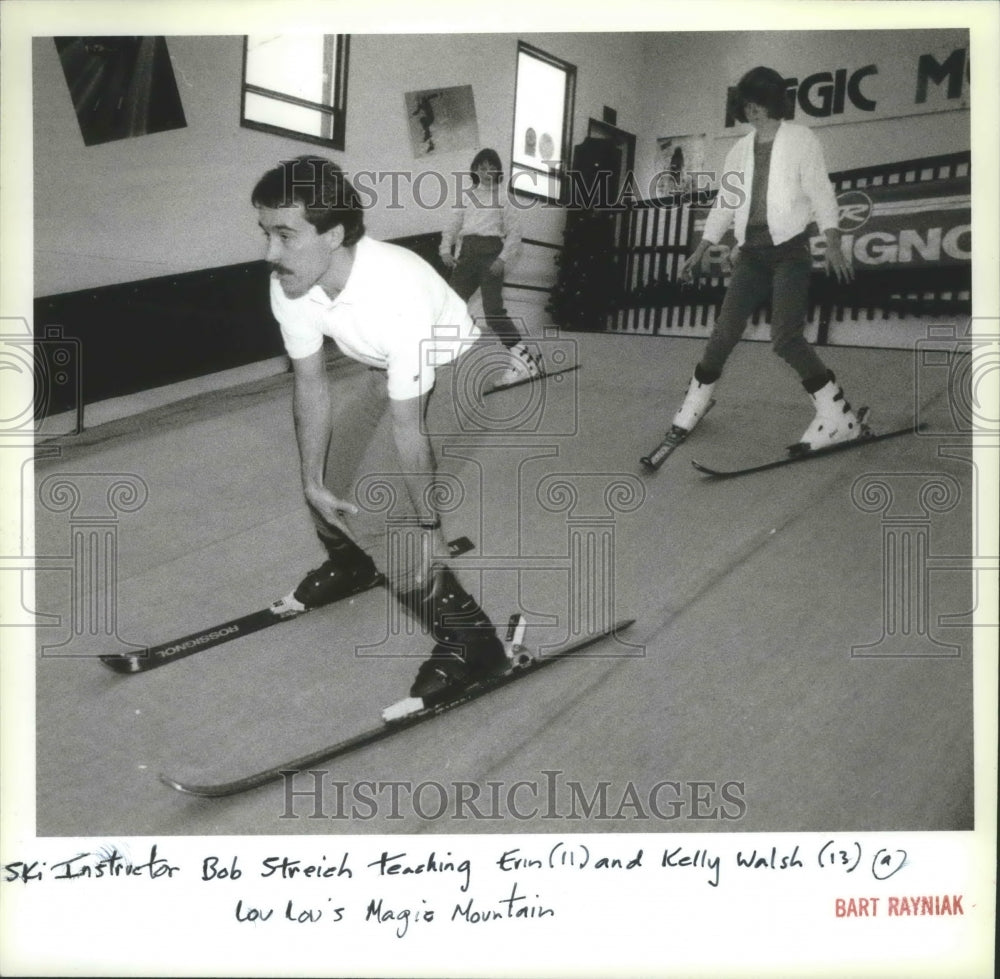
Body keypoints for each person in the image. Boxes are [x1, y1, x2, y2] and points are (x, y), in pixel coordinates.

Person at [252, 155, 507, 701]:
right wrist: (311, 479)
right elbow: (311, 386)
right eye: (265, 233)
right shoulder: (292, 282)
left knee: (376, 512)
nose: (270, 254)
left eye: (284, 235)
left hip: (459, 371)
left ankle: (473, 642)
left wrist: (428, 529)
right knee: (328, 483)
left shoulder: (395, 290)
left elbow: (409, 430)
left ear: (333, 234)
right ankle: (351, 565)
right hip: (383, 368)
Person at [673, 66, 861, 453]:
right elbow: (727, 202)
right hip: (751, 255)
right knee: (724, 333)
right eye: (747, 103)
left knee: (785, 337)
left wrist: (834, 240)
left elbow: (821, 193)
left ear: (774, 102)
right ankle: (697, 400)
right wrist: (702, 246)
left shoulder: (801, 139)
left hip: (789, 252)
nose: (753, 110)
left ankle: (838, 414)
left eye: (759, 102)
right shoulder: (739, 149)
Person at [439, 148, 542, 386]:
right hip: (466, 256)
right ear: (475, 170)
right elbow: (453, 226)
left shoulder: (502, 198)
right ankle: (435, 352)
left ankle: (523, 361)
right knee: (449, 303)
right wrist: (445, 249)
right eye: (482, 167)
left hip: (490, 255)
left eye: (491, 167)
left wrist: (502, 259)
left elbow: (515, 233)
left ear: (498, 171)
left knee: (493, 311)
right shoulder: (467, 197)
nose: (487, 172)